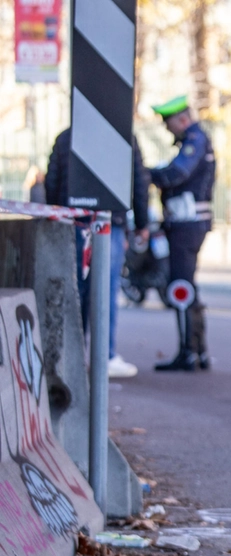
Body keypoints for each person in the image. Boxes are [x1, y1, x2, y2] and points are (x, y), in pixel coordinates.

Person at [43, 129, 150, 378]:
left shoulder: (66, 137)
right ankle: (106, 355)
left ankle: (72, 355)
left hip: (72, 222)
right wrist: (141, 223)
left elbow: (52, 180)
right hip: (108, 220)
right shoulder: (123, 134)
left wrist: (56, 217)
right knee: (104, 290)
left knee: (74, 289)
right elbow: (138, 181)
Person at [148, 95, 217, 372]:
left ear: (183, 119)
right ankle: (197, 351)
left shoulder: (195, 141)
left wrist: (146, 174)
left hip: (187, 225)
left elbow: (176, 174)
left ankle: (189, 352)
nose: (167, 129)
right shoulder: (194, 140)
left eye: (168, 123)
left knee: (181, 288)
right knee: (187, 287)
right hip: (187, 225)